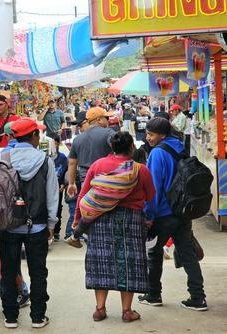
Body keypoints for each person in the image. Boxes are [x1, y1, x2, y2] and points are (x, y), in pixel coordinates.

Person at [72, 132, 155, 322]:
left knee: (101, 261)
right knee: (129, 263)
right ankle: (127, 311)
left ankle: (100, 309)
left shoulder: (98, 165)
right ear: (131, 148)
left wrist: (78, 219)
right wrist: (150, 218)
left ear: (112, 148)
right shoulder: (140, 169)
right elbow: (151, 196)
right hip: (131, 220)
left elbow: (83, 194)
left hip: (101, 219)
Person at [0, 118, 59, 329]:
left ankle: (10, 317)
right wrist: (51, 224)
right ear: (33, 136)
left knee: (9, 271)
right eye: (37, 134)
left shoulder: (0, 158)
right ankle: (38, 317)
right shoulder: (44, 160)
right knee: (38, 271)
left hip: (8, 225)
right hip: (36, 225)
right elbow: (52, 196)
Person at [138, 117, 208, 311]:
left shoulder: (157, 153)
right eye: (147, 134)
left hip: (163, 213)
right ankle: (198, 297)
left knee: (154, 253)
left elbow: (153, 189)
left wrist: (149, 215)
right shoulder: (179, 146)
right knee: (188, 254)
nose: (148, 138)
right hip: (182, 210)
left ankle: (153, 295)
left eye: (151, 134)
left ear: (162, 135)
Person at [67, 107, 114, 199]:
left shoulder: (77, 139)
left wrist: (71, 183)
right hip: (107, 181)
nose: (108, 121)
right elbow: (120, 149)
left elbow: (72, 163)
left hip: (86, 183)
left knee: (89, 209)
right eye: (106, 118)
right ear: (99, 120)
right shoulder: (108, 133)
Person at [63, 111, 89, 241]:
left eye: (80, 125)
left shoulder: (80, 141)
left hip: (79, 185)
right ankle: (70, 234)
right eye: (77, 126)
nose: (79, 129)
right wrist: (71, 183)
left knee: (77, 211)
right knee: (75, 211)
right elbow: (71, 164)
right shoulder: (79, 141)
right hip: (76, 186)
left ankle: (73, 233)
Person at [51, 134, 68, 242]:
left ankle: (56, 231)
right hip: (49, 187)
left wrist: (64, 184)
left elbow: (66, 172)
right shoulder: (45, 156)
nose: (54, 145)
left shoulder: (62, 158)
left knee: (58, 209)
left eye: (55, 143)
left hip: (59, 187)